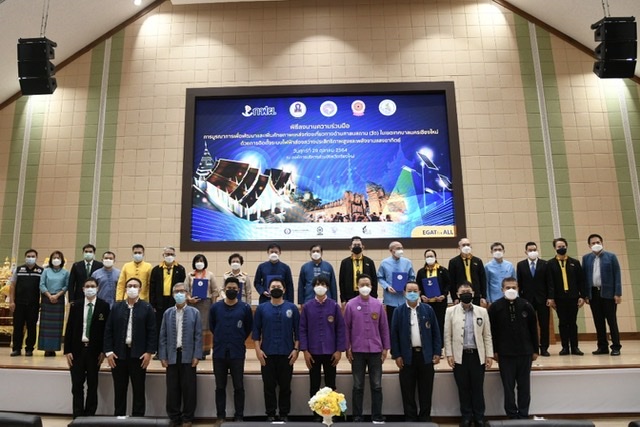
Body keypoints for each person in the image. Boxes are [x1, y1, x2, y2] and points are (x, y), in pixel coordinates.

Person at [104, 277, 157, 417]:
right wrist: (108, 352)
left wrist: (149, 352)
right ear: (125, 288)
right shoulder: (116, 307)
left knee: (138, 389)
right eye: (129, 286)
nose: (132, 288)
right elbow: (108, 330)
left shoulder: (147, 308)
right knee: (119, 389)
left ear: (140, 289)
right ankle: (119, 417)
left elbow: (152, 331)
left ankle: (138, 419)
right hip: (118, 355)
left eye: (135, 286)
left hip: (139, 355)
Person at [390, 281, 441, 422]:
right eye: (409, 291)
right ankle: (410, 419)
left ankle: (425, 418)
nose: (412, 293)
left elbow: (436, 333)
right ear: (404, 293)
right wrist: (397, 355)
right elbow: (394, 335)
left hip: (426, 356)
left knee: (426, 390)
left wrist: (437, 352)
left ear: (419, 293)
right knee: (407, 390)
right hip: (407, 357)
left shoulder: (428, 309)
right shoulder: (398, 311)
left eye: (415, 291)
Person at [444, 281, 493, 427]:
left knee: (478, 388)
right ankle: (466, 416)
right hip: (460, 356)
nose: (466, 294)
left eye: (468, 292)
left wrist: (489, 355)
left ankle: (479, 416)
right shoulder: (450, 311)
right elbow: (447, 335)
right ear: (458, 295)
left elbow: (487, 335)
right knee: (463, 388)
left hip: (477, 356)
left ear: (473, 294)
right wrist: (449, 354)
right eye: (463, 292)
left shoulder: (482, 311)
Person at [488, 277, 538, 420]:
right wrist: (494, 351)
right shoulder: (495, 307)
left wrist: (535, 350)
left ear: (518, 289)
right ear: (502, 289)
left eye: (514, 287)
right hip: (505, 354)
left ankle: (523, 414)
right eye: (507, 287)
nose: (511, 290)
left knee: (524, 386)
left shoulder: (526, 305)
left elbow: (533, 329)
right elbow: (491, 331)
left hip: (525, 352)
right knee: (508, 387)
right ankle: (511, 414)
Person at [344, 274, 390, 423]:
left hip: (375, 351)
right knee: (358, 386)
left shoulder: (378, 304)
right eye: (362, 285)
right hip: (357, 351)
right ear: (357, 287)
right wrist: (347, 347)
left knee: (376, 385)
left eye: (367, 285)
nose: (365, 287)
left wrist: (385, 348)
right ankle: (357, 415)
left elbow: (384, 328)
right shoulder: (350, 305)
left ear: (371, 287)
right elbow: (346, 328)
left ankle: (377, 415)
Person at [252, 278, 299, 421]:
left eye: (279, 286)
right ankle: (270, 414)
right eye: (273, 287)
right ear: (268, 290)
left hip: (287, 353)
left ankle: (284, 413)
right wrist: (258, 351)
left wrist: (296, 350)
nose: (276, 288)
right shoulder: (261, 309)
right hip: (267, 353)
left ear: (284, 290)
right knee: (269, 386)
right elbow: (256, 332)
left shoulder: (292, 308)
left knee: (285, 386)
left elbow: (298, 332)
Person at [299, 275, 346, 418]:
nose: (320, 287)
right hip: (313, 352)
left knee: (331, 383)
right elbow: (302, 329)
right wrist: (305, 351)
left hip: (331, 352)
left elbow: (340, 329)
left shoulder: (334, 306)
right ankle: (316, 414)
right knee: (314, 384)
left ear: (327, 287)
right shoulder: (307, 307)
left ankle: (331, 413)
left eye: (323, 284)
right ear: (313, 287)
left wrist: (339, 350)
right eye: (318, 284)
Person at [63, 277, 111, 418]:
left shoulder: (104, 306)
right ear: (83, 289)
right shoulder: (76, 305)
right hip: (77, 351)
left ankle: (90, 416)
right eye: (87, 286)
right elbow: (69, 328)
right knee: (77, 386)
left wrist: (104, 351)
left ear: (97, 288)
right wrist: (67, 350)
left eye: (93, 286)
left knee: (92, 384)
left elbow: (107, 331)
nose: (90, 288)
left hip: (94, 352)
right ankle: (77, 416)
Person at [209, 277, 254, 422]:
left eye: (234, 289)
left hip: (237, 352)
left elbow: (248, 327)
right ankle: (220, 416)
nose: (232, 290)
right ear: (224, 289)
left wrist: (237, 338)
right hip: (219, 352)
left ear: (239, 290)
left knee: (238, 386)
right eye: (229, 288)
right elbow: (212, 326)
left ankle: (239, 416)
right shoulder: (215, 307)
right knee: (220, 387)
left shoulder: (245, 308)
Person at [158, 282, 202, 427]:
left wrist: (197, 355)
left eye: (182, 291)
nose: (179, 294)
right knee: (172, 389)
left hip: (188, 356)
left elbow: (198, 336)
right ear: (172, 295)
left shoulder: (195, 313)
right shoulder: (167, 313)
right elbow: (163, 336)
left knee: (189, 389)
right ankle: (174, 417)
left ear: (187, 294)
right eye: (176, 291)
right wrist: (163, 356)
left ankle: (187, 418)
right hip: (172, 356)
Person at [582, 234, 622, 356]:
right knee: (598, 322)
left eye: (598, 242)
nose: (596, 244)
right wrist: (586, 295)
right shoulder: (586, 258)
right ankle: (602, 346)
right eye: (593, 243)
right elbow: (584, 277)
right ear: (589, 245)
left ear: (602, 243)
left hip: (608, 294)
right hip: (594, 293)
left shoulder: (611, 257)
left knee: (611, 321)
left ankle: (616, 346)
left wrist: (617, 293)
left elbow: (617, 275)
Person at [546, 237, 586, 356]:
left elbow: (581, 281)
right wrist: (551, 298)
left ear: (567, 246)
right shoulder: (550, 264)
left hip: (573, 297)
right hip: (559, 298)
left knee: (573, 322)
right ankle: (565, 347)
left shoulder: (575, 262)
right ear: (555, 248)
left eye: (563, 246)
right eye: (559, 246)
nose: (561, 248)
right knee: (562, 322)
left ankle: (575, 347)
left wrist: (582, 296)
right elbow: (550, 282)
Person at [516, 242, 551, 356]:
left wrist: (550, 297)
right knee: (528, 324)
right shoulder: (521, 265)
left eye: (534, 250)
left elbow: (549, 282)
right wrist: (520, 299)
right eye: (530, 250)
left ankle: (544, 347)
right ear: (525, 252)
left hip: (542, 299)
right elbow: (519, 283)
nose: (532, 252)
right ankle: (531, 347)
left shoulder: (545, 264)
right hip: (527, 300)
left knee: (544, 324)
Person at [9, 249, 43, 357]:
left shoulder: (41, 271)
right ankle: (16, 348)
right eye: (28, 256)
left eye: (33, 256)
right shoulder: (19, 269)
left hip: (33, 304)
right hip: (19, 303)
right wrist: (11, 301)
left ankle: (29, 349)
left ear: (36, 258)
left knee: (31, 327)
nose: (30, 258)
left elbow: (43, 287)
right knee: (18, 326)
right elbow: (12, 285)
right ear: (25, 257)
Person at [185, 253, 219, 359]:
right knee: (192, 326)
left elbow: (215, 291)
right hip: (192, 304)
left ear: (205, 263)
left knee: (204, 327)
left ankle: (203, 351)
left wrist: (213, 304)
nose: (199, 263)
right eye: (197, 261)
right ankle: (192, 350)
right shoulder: (190, 275)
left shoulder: (210, 275)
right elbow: (185, 290)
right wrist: (189, 298)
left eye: (201, 261)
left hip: (206, 305)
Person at [38, 250, 69, 357]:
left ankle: (54, 348)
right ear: (51, 260)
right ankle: (46, 348)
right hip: (47, 299)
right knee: (46, 326)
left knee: (56, 326)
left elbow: (66, 286)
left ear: (62, 260)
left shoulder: (65, 272)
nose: (56, 260)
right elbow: (42, 284)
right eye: (54, 258)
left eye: (58, 258)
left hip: (59, 299)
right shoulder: (46, 271)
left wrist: (57, 295)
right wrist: (49, 295)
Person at [415, 248, 451, 343]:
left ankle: (440, 345)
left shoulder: (442, 270)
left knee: (440, 324)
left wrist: (444, 295)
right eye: (427, 256)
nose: (429, 258)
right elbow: (418, 286)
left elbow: (448, 284)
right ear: (424, 258)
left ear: (435, 257)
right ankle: (428, 344)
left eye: (431, 256)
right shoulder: (421, 272)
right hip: (426, 303)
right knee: (426, 324)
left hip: (440, 303)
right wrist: (421, 295)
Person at [377, 241, 415, 328]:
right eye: (398, 248)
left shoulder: (407, 262)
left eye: (401, 248)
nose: (400, 250)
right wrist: (387, 287)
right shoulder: (384, 263)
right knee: (392, 324)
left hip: (404, 298)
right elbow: (380, 277)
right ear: (391, 250)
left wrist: (407, 287)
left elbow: (412, 277)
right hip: (390, 299)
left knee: (405, 324)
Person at [338, 236, 378, 304]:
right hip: (350, 295)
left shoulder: (369, 262)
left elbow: (374, 280)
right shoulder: (345, 262)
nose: (357, 247)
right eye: (354, 245)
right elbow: (341, 282)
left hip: (366, 293)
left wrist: (374, 296)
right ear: (350, 248)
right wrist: (343, 299)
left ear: (363, 247)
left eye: (359, 245)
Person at [448, 238, 487, 306]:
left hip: (475, 295)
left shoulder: (478, 261)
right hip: (461, 295)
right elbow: (452, 281)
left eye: (468, 245)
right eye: (463, 245)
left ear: (471, 247)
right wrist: (454, 298)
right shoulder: (453, 262)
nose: (466, 247)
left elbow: (483, 279)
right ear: (459, 247)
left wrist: (483, 296)